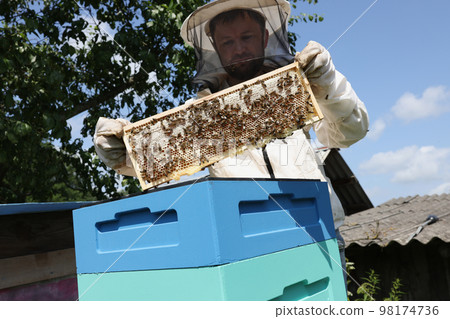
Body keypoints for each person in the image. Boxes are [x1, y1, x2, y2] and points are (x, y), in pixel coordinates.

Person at [94, 0, 369, 282]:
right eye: (227, 42)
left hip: (319, 234)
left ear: (264, 38)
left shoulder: (298, 87)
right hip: (250, 251)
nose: (238, 49)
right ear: (215, 48)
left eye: (246, 37)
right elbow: (155, 161)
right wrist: (122, 151)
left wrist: (327, 82)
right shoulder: (199, 116)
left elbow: (351, 131)